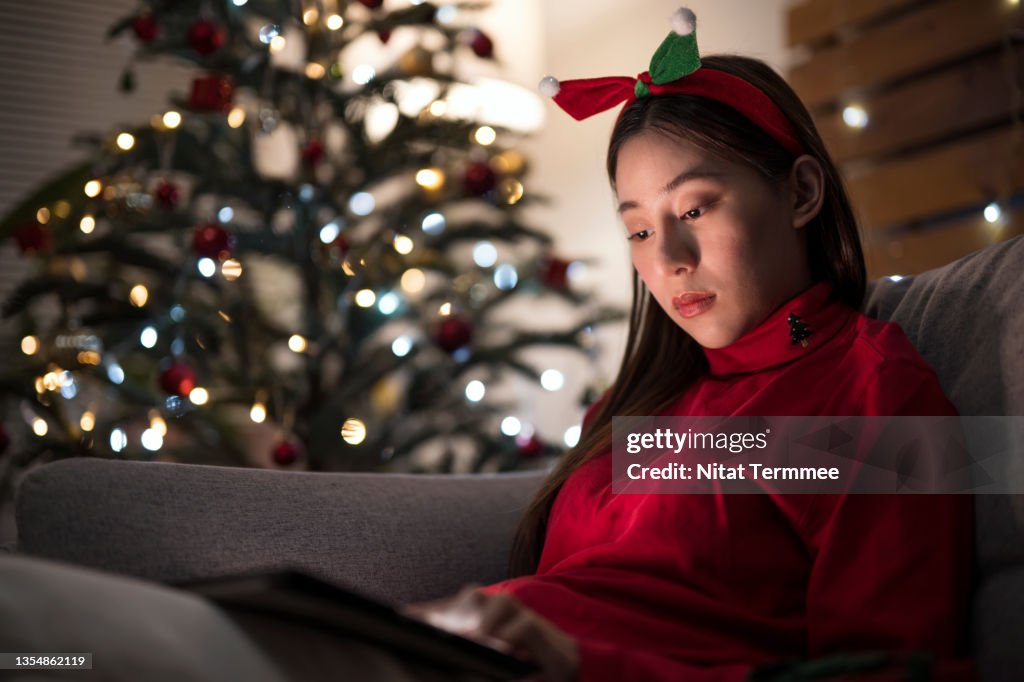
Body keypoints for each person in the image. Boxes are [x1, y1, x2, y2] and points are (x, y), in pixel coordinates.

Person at [404, 7, 973, 682]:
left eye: (695, 208)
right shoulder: (633, 405)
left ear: (801, 191)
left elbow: (894, 670)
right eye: (639, 231)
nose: (668, 257)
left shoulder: (874, 392)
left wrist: (581, 663)